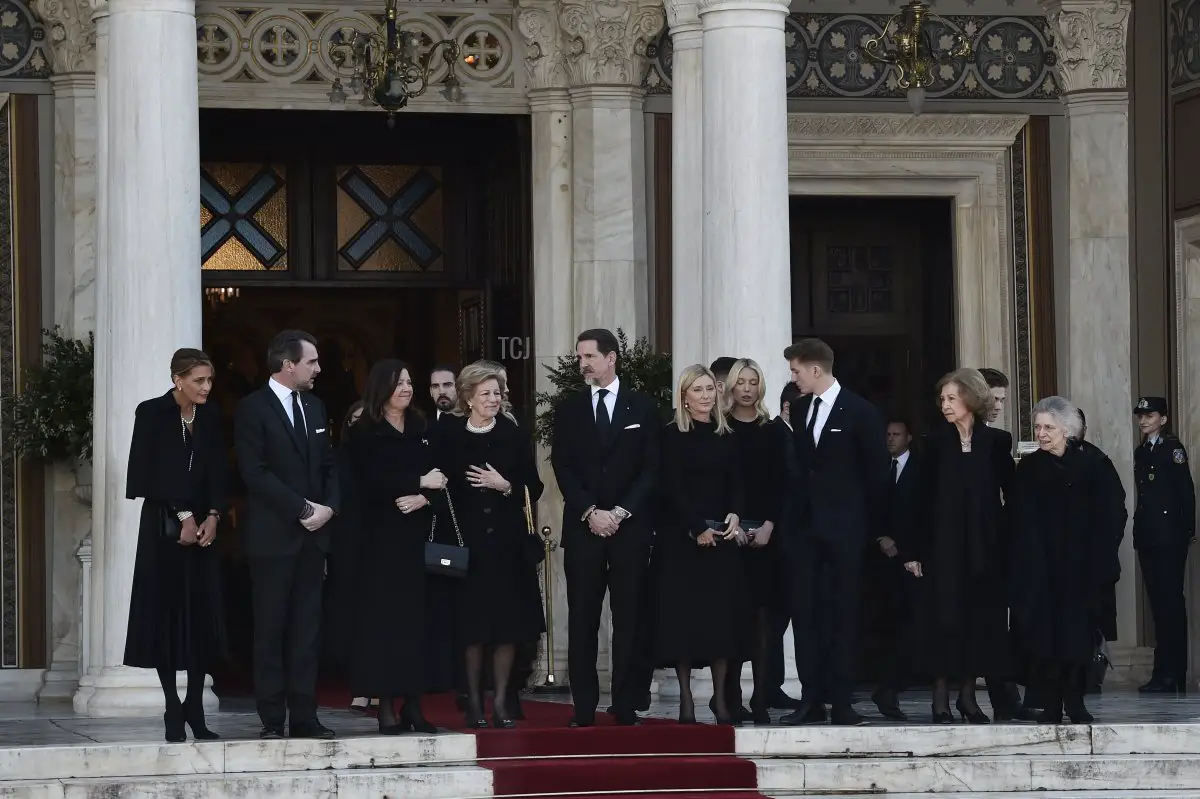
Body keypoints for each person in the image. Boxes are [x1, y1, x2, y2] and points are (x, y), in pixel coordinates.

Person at [551, 328, 661, 727]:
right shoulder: (568, 409)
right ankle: (583, 706)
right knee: (583, 616)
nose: (583, 364)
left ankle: (625, 702)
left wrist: (620, 512)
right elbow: (561, 467)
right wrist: (590, 512)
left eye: (589, 357)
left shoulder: (642, 407)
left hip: (629, 530)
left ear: (611, 358)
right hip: (583, 529)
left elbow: (651, 467)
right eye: (580, 357)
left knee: (628, 616)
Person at [234, 330, 339, 740]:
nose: (318, 369)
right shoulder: (252, 408)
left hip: (314, 538)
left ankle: (306, 717)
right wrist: (302, 508)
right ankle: (273, 720)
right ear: (287, 364)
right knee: (271, 631)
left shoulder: (315, 407)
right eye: (311, 362)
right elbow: (254, 471)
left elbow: (330, 465)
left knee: (307, 633)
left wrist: (329, 508)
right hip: (273, 539)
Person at [778, 338, 889, 727]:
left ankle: (842, 701)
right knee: (806, 616)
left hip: (845, 534)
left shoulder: (861, 412)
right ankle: (811, 699)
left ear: (815, 369)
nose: (792, 378)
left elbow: (877, 476)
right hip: (805, 534)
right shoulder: (803, 408)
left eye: (795, 371)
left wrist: (868, 530)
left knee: (844, 616)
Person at [124, 348, 228, 743]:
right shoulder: (151, 413)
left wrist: (214, 515)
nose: (206, 387)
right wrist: (182, 515)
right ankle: (172, 706)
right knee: (166, 615)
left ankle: (195, 707)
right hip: (163, 527)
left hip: (205, 526)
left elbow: (220, 468)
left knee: (201, 616)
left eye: (209, 380)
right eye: (199, 380)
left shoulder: (212, 416)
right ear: (178, 379)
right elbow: (146, 470)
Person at [436, 361, 545, 728]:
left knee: (506, 629)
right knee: (472, 630)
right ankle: (472, 704)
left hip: (507, 549)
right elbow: (441, 485)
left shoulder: (514, 435)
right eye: (486, 394)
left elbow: (536, 487)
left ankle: (500, 703)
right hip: (466, 548)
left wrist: (506, 485)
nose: (494, 399)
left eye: (497, 393)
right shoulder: (450, 437)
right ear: (468, 398)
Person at [901, 368, 1014, 724]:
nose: (945, 405)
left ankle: (968, 697)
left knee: (978, 622)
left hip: (984, 549)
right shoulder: (932, 443)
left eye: (952, 398)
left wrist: (1004, 539)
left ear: (971, 399)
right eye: (943, 399)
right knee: (943, 621)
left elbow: (1012, 496)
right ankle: (940, 698)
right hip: (941, 549)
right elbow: (915, 502)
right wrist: (912, 551)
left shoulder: (996, 442)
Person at [344, 360, 446, 733]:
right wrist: (416, 480)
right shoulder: (365, 431)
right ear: (381, 387)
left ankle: (414, 706)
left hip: (418, 538)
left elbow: (442, 478)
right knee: (385, 624)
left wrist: (423, 498)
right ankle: (386, 706)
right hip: (380, 542)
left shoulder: (422, 427)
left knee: (420, 624)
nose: (406, 387)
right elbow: (365, 482)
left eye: (408, 381)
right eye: (398, 382)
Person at [1010, 396, 1125, 724]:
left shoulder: (1094, 463)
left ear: (1067, 430)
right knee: (1044, 641)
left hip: (1082, 573)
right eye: (1037, 427)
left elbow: (1114, 512)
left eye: (1048, 427)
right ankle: (1049, 704)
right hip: (1041, 572)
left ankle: (1075, 702)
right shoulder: (1029, 469)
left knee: (1077, 640)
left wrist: (1099, 557)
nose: (1041, 433)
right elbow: (1017, 519)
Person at [655, 364, 747, 724]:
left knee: (721, 620)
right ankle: (686, 700)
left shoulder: (728, 435)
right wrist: (695, 527)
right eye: (698, 390)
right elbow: (671, 485)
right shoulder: (671, 435)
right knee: (684, 621)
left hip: (722, 537)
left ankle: (722, 700)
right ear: (684, 396)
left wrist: (736, 515)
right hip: (682, 541)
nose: (706, 395)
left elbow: (738, 481)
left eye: (710, 389)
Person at [722, 358, 789, 724]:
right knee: (733, 619)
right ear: (731, 386)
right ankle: (730, 700)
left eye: (753, 382)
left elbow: (783, 483)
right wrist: (731, 526)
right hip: (729, 536)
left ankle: (761, 699)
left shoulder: (774, 430)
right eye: (741, 382)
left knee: (765, 623)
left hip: (766, 536)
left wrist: (768, 525)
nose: (746, 388)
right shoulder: (721, 429)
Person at [1133, 396, 1196, 693]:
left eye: (1150, 415)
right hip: (1149, 535)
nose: (1144, 420)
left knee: (1170, 605)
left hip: (1170, 536)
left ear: (1163, 419)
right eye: (1141, 415)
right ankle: (1163, 672)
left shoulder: (1173, 450)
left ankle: (1173, 673)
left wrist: (1188, 531)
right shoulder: (1142, 451)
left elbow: (1186, 491)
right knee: (1159, 606)